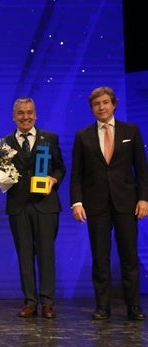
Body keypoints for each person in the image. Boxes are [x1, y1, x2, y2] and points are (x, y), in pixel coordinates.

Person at [70, 86, 148, 321]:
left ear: (114, 104)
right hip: (96, 205)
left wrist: (144, 198)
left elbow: (142, 169)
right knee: (100, 257)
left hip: (127, 203)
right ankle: (102, 306)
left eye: (105, 102)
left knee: (129, 256)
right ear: (92, 108)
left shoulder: (131, 130)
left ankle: (133, 306)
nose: (101, 107)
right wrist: (76, 202)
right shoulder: (83, 135)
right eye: (96, 104)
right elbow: (77, 173)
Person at [3, 97, 66, 318]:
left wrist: (53, 180)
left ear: (36, 115)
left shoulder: (49, 138)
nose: (26, 116)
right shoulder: (4, 143)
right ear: (14, 117)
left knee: (46, 254)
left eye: (29, 112)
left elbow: (60, 168)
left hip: (46, 206)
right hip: (18, 207)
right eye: (21, 113)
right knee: (24, 255)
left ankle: (48, 302)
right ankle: (30, 301)